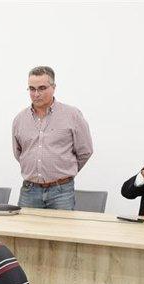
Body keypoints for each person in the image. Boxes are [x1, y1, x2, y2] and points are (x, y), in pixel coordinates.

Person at [12, 65, 93, 210]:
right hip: (29, 191)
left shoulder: (72, 115)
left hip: (61, 192)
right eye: (32, 89)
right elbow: (19, 153)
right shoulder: (19, 119)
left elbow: (85, 151)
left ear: (53, 87)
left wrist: (64, 170)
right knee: (24, 231)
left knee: (62, 232)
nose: (36, 94)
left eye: (42, 88)